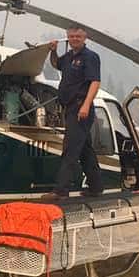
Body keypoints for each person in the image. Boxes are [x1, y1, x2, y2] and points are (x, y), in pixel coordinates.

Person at [44, 26, 104, 199]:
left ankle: (60, 190)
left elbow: (95, 82)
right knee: (85, 151)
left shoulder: (90, 57)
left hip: (80, 109)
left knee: (70, 150)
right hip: (70, 108)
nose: (75, 39)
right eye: (71, 36)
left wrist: (86, 105)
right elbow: (57, 65)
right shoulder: (69, 57)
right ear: (67, 38)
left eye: (78, 36)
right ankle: (96, 187)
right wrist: (53, 52)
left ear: (85, 37)